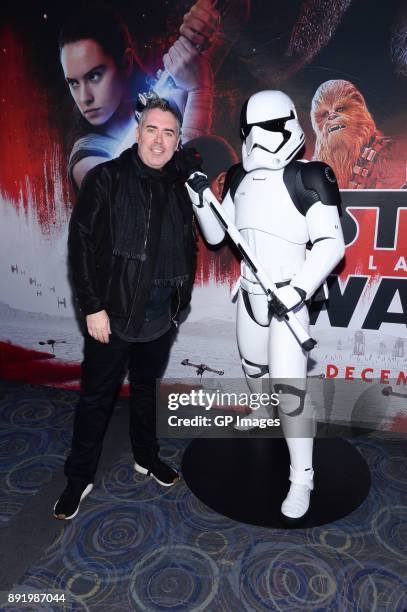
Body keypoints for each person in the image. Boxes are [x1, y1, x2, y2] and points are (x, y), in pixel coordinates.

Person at [186, 90, 345, 524]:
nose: (260, 141)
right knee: (253, 368)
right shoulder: (238, 178)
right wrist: (202, 201)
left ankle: (302, 476)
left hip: (286, 301)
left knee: (290, 390)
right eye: (251, 132)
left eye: (269, 129)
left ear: (289, 125)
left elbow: (332, 244)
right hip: (251, 293)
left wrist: (297, 292)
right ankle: (260, 412)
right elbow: (219, 237)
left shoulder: (310, 177)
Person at [53, 98, 198, 520]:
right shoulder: (106, 178)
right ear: (138, 132)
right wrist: (92, 307)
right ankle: (78, 478)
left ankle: (146, 456)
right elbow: (79, 245)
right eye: (152, 129)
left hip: (160, 314)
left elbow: (188, 244)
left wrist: (178, 304)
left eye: (168, 132)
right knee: (96, 400)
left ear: (177, 139)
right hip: (112, 315)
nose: (159, 139)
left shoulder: (180, 184)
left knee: (147, 389)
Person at [59, 2, 219, 190]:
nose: (84, 97)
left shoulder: (154, 100)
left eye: (94, 76)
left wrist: (202, 23)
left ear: (126, 63)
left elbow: (237, 17)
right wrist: (200, 92)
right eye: (74, 83)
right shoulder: (87, 163)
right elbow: (169, 200)